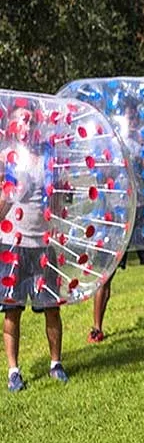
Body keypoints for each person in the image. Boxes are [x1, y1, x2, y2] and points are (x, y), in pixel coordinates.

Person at [88, 103, 144, 342]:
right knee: (107, 271)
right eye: (128, 118)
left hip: (143, 209)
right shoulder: (111, 145)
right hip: (119, 212)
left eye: (135, 118)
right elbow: (102, 176)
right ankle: (96, 327)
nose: (132, 122)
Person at [0, 105, 68, 390]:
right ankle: (13, 371)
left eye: (30, 121)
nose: (26, 127)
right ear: (12, 126)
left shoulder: (48, 158)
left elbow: (60, 202)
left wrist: (64, 196)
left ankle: (55, 363)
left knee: (51, 307)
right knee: (12, 310)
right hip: (12, 243)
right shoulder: (5, 159)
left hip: (43, 242)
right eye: (20, 122)